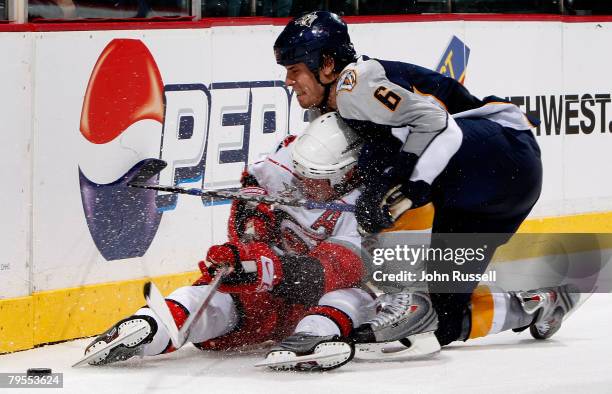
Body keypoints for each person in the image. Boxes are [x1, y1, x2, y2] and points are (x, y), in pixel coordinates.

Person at [272, 11, 560, 357]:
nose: (289, 80)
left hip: (500, 152)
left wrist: (408, 183)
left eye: (295, 69)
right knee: (442, 322)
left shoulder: (355, 85)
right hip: (499, 187)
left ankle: (404, 299)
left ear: (328, 64)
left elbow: (442, 128)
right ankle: (540, 304)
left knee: (389, 186)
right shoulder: (336, 102)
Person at [82, 112, 375, 371]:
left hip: (312, 297)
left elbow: (328, 273)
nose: (303, 183)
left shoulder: (366, 206)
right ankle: (151, 327)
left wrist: (265, 267)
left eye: (315, 178)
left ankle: (314, 335)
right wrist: (249, 243)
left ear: (344, 174)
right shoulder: (283, 161)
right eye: (300, 173)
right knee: (216, 295)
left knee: (351, 297)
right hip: (266, 294)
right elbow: (249, 206)